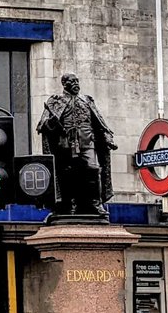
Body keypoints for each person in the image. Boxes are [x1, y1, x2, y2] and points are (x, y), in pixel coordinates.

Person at [36, 72, 118, 218]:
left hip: (87, 142)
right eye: (71, 81)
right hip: (65, 144)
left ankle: (95, 203)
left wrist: (107, 137)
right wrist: (52, 122)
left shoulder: (87, 100)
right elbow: (43, 126)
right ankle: (70, 204)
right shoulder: (56, 102)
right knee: (68, 173)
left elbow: (99, 123)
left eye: (77, 81)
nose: (75, 84)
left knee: (93, 170)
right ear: (64, 84)